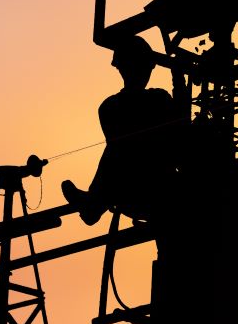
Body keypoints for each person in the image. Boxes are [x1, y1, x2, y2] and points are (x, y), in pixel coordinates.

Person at [62, 36, 183, 224]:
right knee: (119, 148)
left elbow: (178, 128)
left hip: (151, 188)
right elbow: (180, 123)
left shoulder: (111, 106)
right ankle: (94, 204)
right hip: (142, 189)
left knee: (117, 149)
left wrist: (178, 78)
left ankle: (94, 204)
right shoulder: (154, 99)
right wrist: (179, 76)